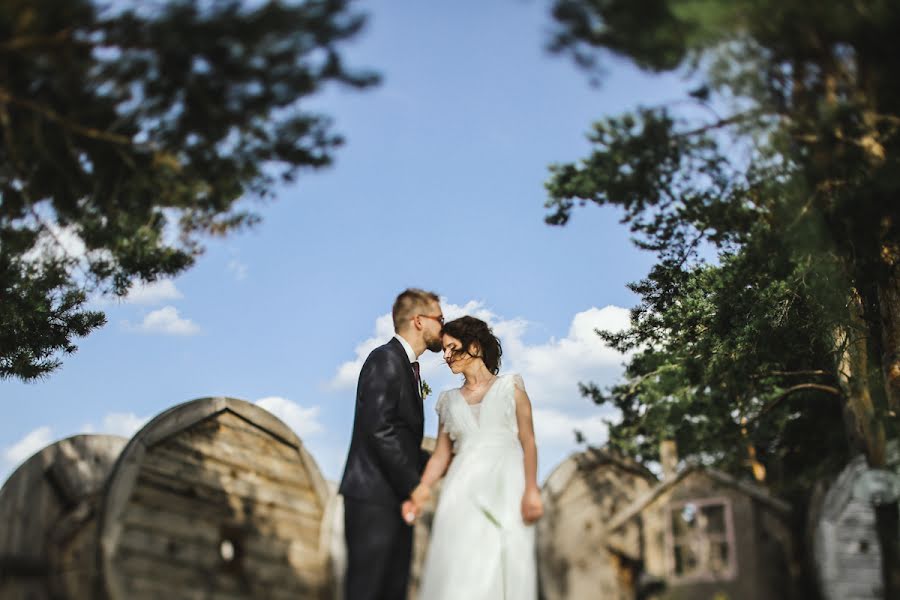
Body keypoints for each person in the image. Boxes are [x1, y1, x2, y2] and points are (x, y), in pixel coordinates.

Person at [405, 315, 543, 600]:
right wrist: (421, 489)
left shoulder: (512, 388)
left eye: (452, 347)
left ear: (475, 348)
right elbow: (442, 456)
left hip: (507, 484)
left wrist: (531, 490)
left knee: (506, 559)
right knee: (461, 566)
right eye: (443, 349)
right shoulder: (447, 401)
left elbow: (528, 441)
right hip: (462, 489)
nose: (446, 355)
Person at [339, 288, 444, 600]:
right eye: (439, 318)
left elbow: (399, 438)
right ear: (418, 321)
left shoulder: (406, 367)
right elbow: (379, 428)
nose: (444, 325)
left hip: (392, 501)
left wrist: (444, 460)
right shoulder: (385, 359)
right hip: (372, 499)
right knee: (367, 592)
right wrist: (414, 485)